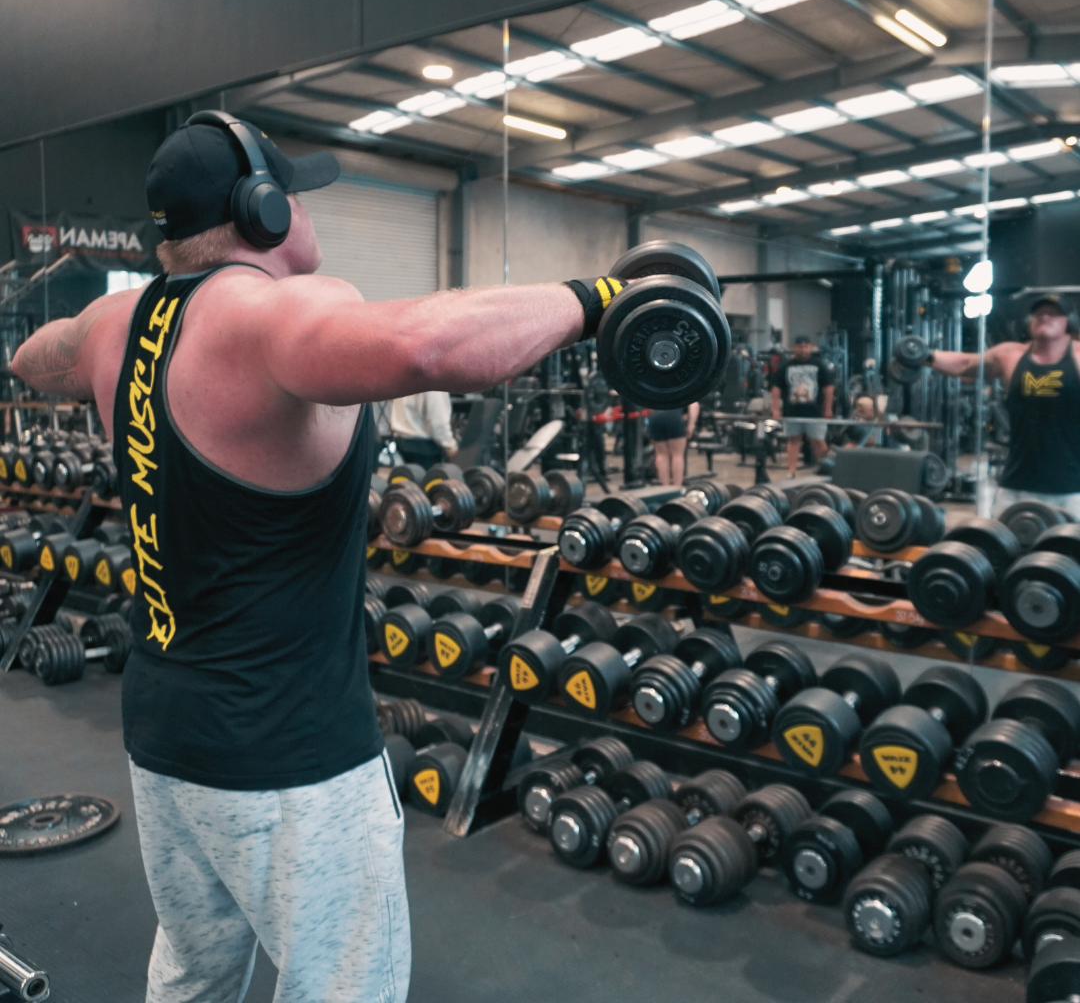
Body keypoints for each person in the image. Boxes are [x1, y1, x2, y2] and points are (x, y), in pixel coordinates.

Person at [9, 113, 654, 1003]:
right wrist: (605, 299)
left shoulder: (120, 323)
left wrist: (84, 354)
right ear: (263, 210)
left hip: (163, 737)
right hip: (290, 759)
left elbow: (35, 357)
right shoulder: (277, 312)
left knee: (194, 976)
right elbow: (430, 346)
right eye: (295, 192)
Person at [925, 294, 1080, 518]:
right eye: (1039, 313)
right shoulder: (1010, 355)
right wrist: (924, 357)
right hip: (1016, 486)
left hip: (1073, 491)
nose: (1045, 317)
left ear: (1069, 322)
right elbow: (966, 364)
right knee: (1007, 548)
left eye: (1054, 313)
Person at [769, 334, 835, 478]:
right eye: (800, 347)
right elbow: (776, 389)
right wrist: (775, 409)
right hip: (792, 411)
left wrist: (828, 409)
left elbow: (828, 388)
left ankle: (825, 469)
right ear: (794, 348)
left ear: (810, 347)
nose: (803, 349)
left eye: (805, 346)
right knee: (793, 441)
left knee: (818, 441)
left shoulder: (819, 365)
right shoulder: (786, 366)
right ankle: (791, 471)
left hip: (815, 411)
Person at [390, 390, 457, 470]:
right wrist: (450, 446)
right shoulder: (436, 383)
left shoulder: (403, 378)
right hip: (424, 449)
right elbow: (438, 422)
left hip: (402, 442)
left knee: (405, 479)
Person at [645, 403, 699, 486]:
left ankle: (665, 487)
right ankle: (676, 487)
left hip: (655, 416)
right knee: (677, 454)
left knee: (661, 454)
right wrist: (691, 425)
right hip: (674, 416)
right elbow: (694, 405)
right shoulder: (681, 389)